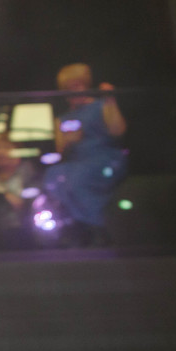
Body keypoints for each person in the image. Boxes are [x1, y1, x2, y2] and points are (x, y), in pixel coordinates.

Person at [41, 63, 128, 246]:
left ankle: (99, 227)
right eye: (69, 88)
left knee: (78, 180)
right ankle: (76, 225)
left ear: (86, 85)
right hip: (78, 162)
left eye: (78, 85)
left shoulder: (101, 106)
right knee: (54, 177)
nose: (75, 91)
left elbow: (118, 130)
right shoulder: (62, 119)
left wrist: (110, 100)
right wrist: (68, 141)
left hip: (104, 158)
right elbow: (60, 150)